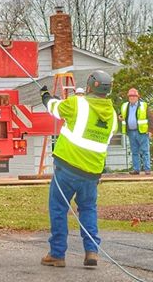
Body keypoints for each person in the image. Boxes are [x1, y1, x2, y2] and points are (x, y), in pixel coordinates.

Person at [40, 70, 118, 269]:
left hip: (66, 168)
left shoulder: (77, 103)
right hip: (92, 173)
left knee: (58, 209)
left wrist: (46, 96)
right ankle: (91, 251)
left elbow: (54, 109)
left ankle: (57, 254)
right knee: (88, 210)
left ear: (90, 86)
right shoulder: (113, 116)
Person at [120, 88, 151, 175]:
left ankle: (147, 169)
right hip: (131, 132)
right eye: (130, 96)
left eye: (134, 96)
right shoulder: (125, 106)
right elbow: (121, 114)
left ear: (137, 97)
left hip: (142, 132)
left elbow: (150, 118)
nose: (132, 98)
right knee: (134, 152)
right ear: (128, 97)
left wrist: (150, 130)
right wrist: (120, 117)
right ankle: (136, 170)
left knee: (145, 151)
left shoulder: (144, 105)